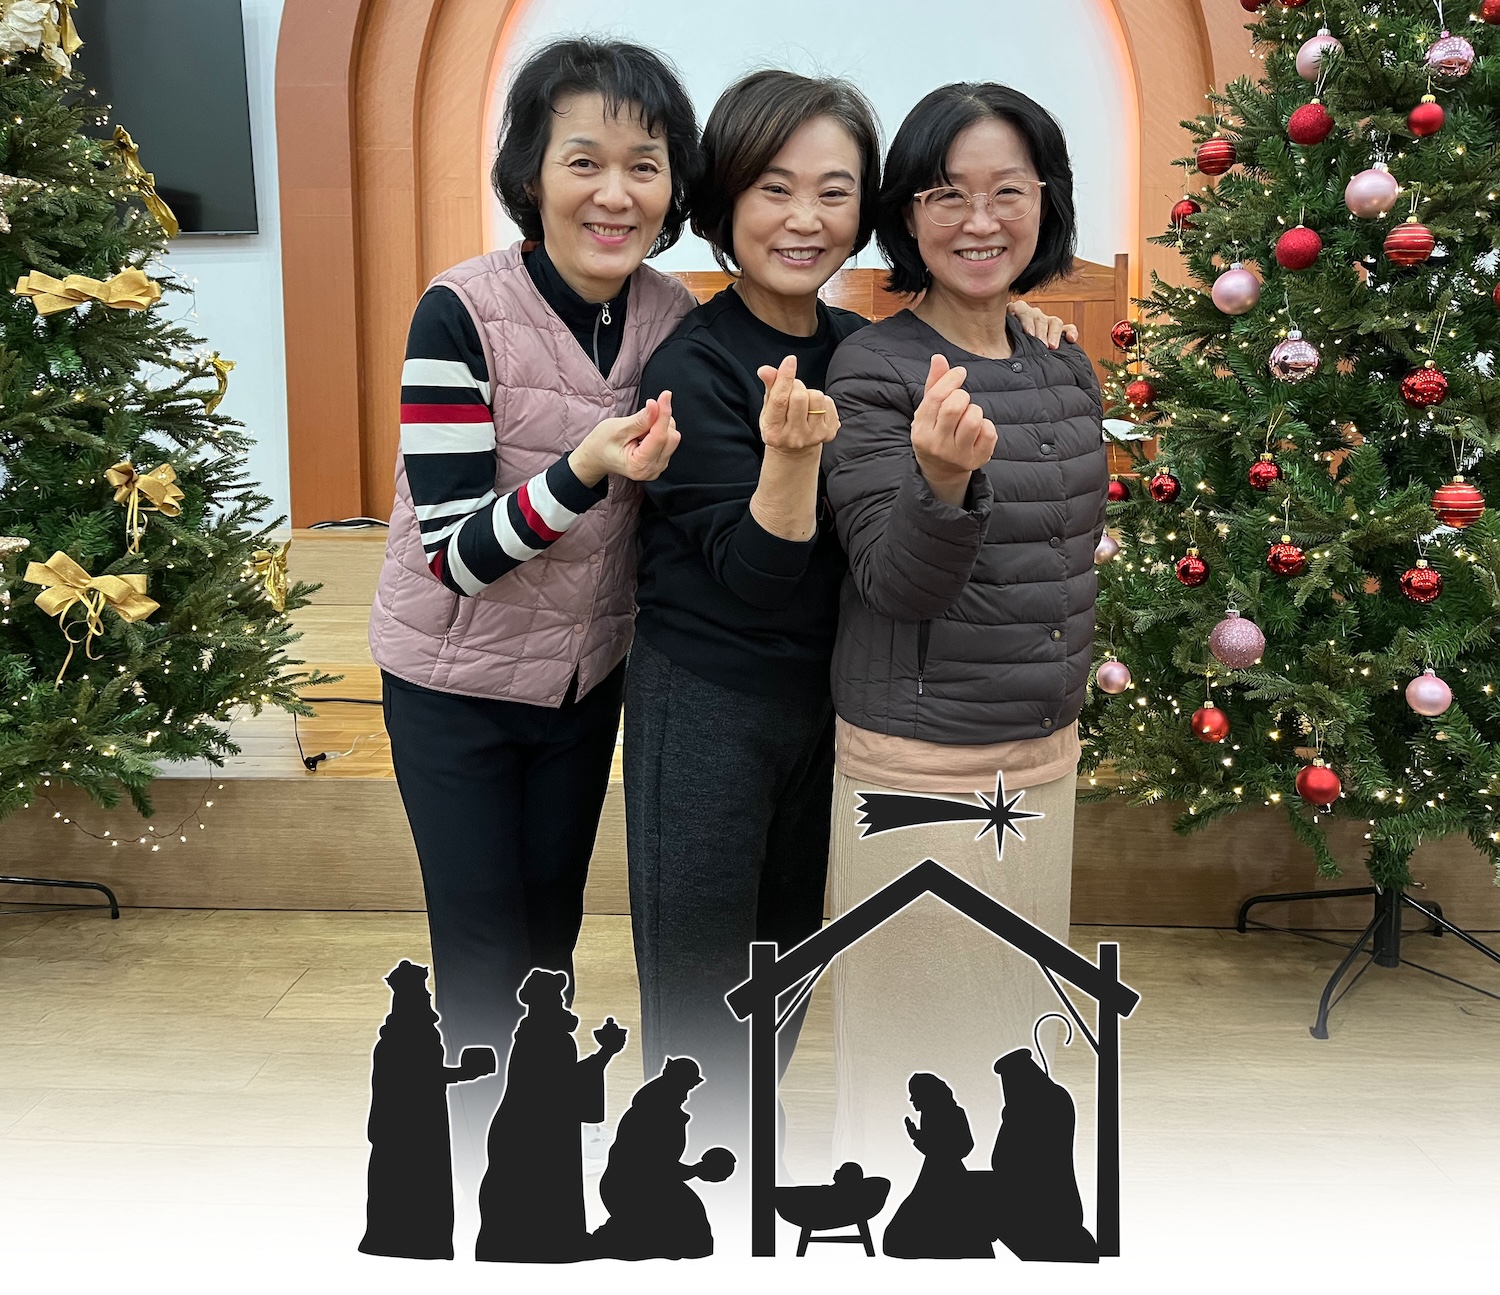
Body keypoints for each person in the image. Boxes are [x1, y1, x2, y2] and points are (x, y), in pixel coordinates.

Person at [624, 71, 1072, 1160]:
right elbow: (757, 577)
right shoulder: (694, 362)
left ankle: (747, 1161)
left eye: (833, 191)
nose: (806, 218)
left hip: (826, 704)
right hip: (710, 700)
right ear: (726, 199)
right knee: (699, 983)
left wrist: (1012, 319)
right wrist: (789, 455)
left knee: (784, 964)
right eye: (775, 188)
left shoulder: (856, 342)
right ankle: (685, 1183)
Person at [367, 36, 699, 1191]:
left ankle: (538, 1127)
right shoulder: (458, 312)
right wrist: (584, 468)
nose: (615, 193)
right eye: (584, 160)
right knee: (478, 940)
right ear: (531, 172)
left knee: (548, 928)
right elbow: (457, 554)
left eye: (644, 165)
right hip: (449, 686)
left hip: (580, 683)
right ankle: (473, 1171)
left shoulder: (672, 314)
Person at [821, 83, 1108, 1172]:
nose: (979, 220)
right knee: (914, 1055)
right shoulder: (876, 367)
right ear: (908, 211)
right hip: (920, 766)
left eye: (1007, 192)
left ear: (1047, 201)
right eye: (946, 193)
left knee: (1020, 1028)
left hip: (1042, 754)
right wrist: (940, 479)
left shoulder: (1061, 359)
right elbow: (893, 582)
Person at [474, 969, 627, 1262]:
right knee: (535, 1190)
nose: (561, 1002)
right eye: (557, 998)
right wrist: (605, 1053)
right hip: (533, 1134)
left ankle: (549, 1241)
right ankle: (549, 1243)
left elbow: (562, 1083)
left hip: (534, 1128)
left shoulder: (540, 1035)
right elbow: (561, 1085)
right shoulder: (548, 1038)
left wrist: (604, 1054)